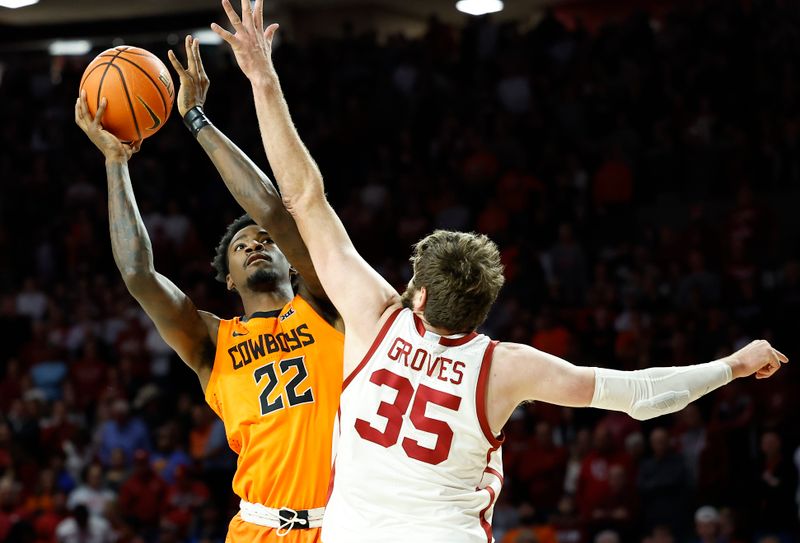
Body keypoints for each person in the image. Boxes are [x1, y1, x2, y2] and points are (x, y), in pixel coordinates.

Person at [212, 0, 789, 540]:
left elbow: (303, 196)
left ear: (416, 296)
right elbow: (640, 394)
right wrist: (731, 366)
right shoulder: (505, 367)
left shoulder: (374, 317)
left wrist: (263, 78)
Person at [74, 34, 343, 542]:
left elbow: (273, 210)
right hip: (258, 528)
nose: (256, 244)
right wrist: (116, 163)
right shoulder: (213, 342)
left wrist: (197, 119)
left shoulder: (326, 305)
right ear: (227, 277)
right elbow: (138, 275)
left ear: (292, 261)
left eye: (266, 241)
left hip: (344, 526)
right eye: (242, 246)